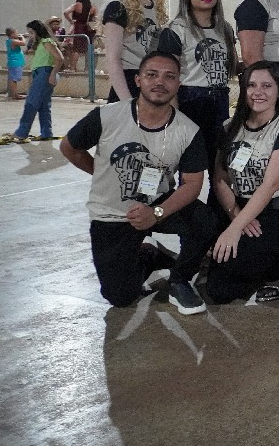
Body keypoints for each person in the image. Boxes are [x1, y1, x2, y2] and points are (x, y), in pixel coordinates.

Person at [60, 51, 219, 314]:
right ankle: (152, 255)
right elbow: (69, 147)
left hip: (157, 202)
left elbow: (192, 184)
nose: (160, 82)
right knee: (120, 296)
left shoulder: (188, 131)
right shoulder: (107, 116)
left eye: (169, 77)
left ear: (178, 84)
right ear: (138, 80)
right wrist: (101, 173)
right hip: (112, 213)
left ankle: (179, 279)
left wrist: (156, 213)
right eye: (152, 75)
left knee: (204, 219)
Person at [207, 62, 279, 304]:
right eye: (251, 85)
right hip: (237, 207)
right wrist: (235, 216)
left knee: (225, 284)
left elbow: (269, 186)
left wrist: (234, 229)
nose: (257, 92)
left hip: (274, 211)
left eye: (266, 85)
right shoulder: (229, 127)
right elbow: (218, 178)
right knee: (218, 290)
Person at [157, 0, 239, 175]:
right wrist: (172, 117)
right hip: (190, 102)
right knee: (188, 168)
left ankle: (218, 207)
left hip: (219, 101)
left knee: (219, 167)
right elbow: (168, 78)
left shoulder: (225, 28)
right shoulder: (176, 29)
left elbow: (229, 66)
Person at [101, 0, 169, 102]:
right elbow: (113, 59)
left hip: (149, 81)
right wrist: (127, 102)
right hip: (127, 82)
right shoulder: (118, 5)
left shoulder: (155, 5)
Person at [11, 20, 63, 142]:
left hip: (44, 73)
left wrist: (52, 74)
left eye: (31, 32)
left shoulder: (46, 41)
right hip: (40, 73)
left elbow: (59, 58)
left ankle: (21, 132)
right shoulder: (41, 43)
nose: (30, 35)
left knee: (31, 102)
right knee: (43, 105)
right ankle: (46, 132)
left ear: (38, 32)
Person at [63, 0, 98, 72]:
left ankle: (72, 68)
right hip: (89, 29)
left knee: (76, 49)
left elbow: (65, 12)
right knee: (89, 49)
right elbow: (96, 19)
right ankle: (88, 68)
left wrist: (71, 21)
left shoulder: (76, 5)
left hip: (79, 28)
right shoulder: (92, 7)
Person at [4, 27, 26, 100]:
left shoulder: (10, 41)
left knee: (15, 79)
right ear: (12, 34)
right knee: (14, 79)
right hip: (15, 62)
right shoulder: (12, 41)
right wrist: (22, 37)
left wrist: (20, 37)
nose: (18, 34)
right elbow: (23, 43)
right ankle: (14, 94)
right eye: (16, 33)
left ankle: (15, 93)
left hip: (16, 62)